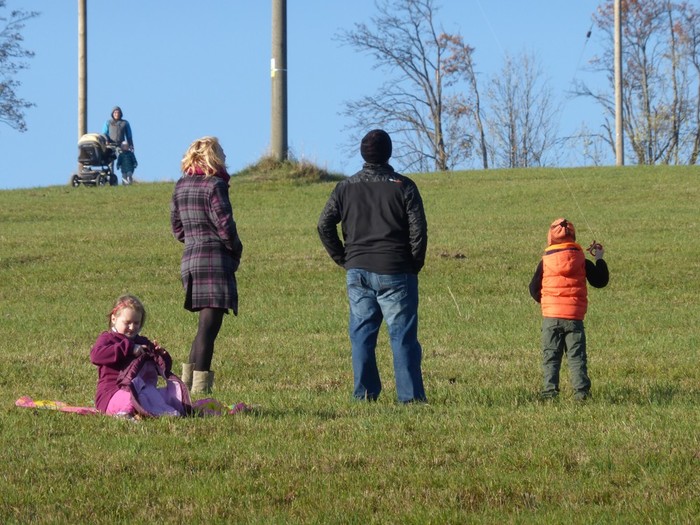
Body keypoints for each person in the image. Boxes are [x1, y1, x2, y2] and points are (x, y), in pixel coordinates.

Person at [317, 129, 428, 403]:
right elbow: (418, 230)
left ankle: (364, 395)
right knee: (402, 336)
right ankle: (410, 398)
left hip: (358, 270)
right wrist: (413, 264)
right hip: (396, 269)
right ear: (389, 153)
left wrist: (344, 258)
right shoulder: (404, 186)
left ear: (363, 154)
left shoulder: (345, 187)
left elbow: (324, 225)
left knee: (362, 335)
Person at [170, 136, 243, 395]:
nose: (225, 156)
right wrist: (236, 248)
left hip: (190, 260)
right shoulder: (215, 185)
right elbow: (225, 226)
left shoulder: (181, 185)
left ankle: (183, 389)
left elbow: (177, 227)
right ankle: (200, 391)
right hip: (214, 261)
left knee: (204, 327)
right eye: (221, 151)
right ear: (213, 156)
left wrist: (194, 240)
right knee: (208, 330)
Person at [529, 218, 609, 400]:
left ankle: (549, 393)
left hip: (551, 317)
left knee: (551, 356)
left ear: (550, 237)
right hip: (574, 317)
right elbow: (600, 281)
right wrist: (599, 258)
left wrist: (548, 302)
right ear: (573, 236)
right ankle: (581, 394)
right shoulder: (581, 260)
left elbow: (533, 289)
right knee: (577, 357)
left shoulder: (545, 262)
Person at [90, 294, 187, 417]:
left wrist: (162, 356)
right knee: (132, 398)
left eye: (136, 323)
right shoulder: (108, 338)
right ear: (114, 319)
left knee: (157, 396)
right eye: (127, 322)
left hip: (140, 390)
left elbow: (163, 369)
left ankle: (146, 411)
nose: (132, 327)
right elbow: (96, 355)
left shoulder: (142, 342)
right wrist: (129, 348)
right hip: (111, 394)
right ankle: (126, 414)